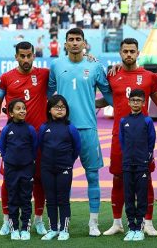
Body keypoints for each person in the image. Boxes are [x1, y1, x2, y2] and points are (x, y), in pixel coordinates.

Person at [48, 28, 113, 236]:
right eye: (71, 40)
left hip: (88, 129)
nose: (75, 43)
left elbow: (109, 95)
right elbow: (47, 97)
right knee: (61, 178)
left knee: (92, 176)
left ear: (84, 43)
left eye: (78, 40)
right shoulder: (57, 65)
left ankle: (93, 223)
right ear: (65, 44)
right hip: (63, 130)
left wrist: (92, 103)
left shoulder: (94, 66)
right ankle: (59, 223)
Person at [101, 38, 157, 237]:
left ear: (138, 53)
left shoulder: (149, 77)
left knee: (145, 179)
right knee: (118, 177)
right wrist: (82, 105)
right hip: (119, 136)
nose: (129, 54)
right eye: (125, 51)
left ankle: (147, 222)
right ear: (120, 53)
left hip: (143, 138)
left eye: (132, 51)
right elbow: (107, 99)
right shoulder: (112, 75)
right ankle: (117, 222)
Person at [0, 41, 48, 237]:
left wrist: (89, 57)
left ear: (34, 55)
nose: (25, 59)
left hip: (38, 139)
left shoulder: (44, 74)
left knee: (39, 179)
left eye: (29, 55)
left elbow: (70, 67)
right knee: (8, 180)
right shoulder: (6, 78)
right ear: (16, 56)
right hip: (13, 139)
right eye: (22, 56)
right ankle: (7, 220)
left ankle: (38, 220)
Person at [37, 95, 81, 241]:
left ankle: (64, 229)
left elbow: (77, 148)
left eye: (63, 107)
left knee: (63, 199)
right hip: (47, 168)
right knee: (50, 199)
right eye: (56, 107)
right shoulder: (44, 127)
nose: (60, 110)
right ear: (49, 110)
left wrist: (68, 162)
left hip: (64, 168)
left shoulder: (70, 128)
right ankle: (53, 229)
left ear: (66, 110)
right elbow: (40, 146)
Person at [118, 89, 157, 242]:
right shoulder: (123, 121)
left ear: (143, 103)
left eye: (138, 100)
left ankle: (140, 228)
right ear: (128, 102)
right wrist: (127, 156)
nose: (135, 103)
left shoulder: (147, 121)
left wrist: (146, 158)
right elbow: (122, 142)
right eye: (133, 100)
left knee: (141, 196)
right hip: (127, 163)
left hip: (142, 164)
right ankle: (131, 228)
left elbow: (151, 142)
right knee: (128, 196)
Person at [0, 98, 38, 241]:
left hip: (27, 168)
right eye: (18, 109)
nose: (22, 111)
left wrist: (28, 161)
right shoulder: (7, 129)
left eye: (24, 108)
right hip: (11, 169)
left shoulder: (30, 129)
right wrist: (9, 159)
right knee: (13, 198)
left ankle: (25, 228)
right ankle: (14, 228)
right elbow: (2, 147)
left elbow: (35, 147)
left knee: (26, 199)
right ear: (11, 113)